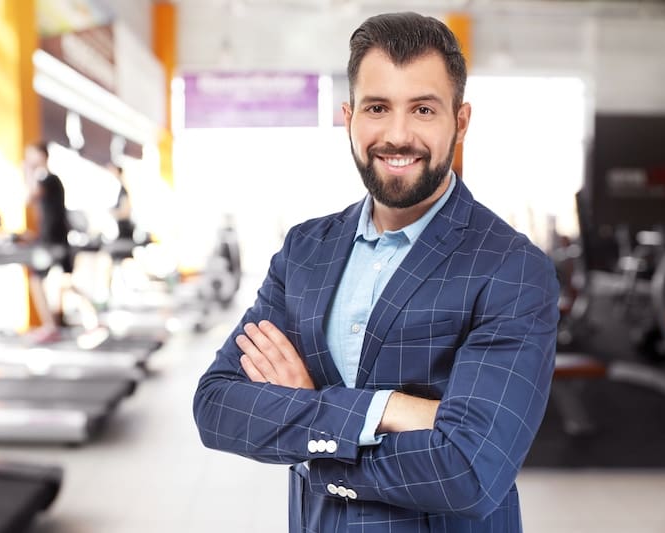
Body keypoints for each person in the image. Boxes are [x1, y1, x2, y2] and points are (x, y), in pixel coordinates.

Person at [193, 12, 559, 532]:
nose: (398, 134)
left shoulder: (512, 268)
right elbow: (217, 405)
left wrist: (308, 421)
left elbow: (471, 469)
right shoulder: (305, 250)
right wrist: (389, 409)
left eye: (424, 109)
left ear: (461, 120)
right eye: (377, 107)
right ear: (349, 116)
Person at [21, 141, 74, 342]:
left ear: (42, 156)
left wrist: (27, 172)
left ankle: (50, 326)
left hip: (52, 242)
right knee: (63, 283)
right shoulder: (51, 181)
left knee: (36, 280)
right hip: (53, 239)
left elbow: (30, 197)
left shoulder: (48, 179)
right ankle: (91, 315)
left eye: (31, 154)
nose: (27, 158)